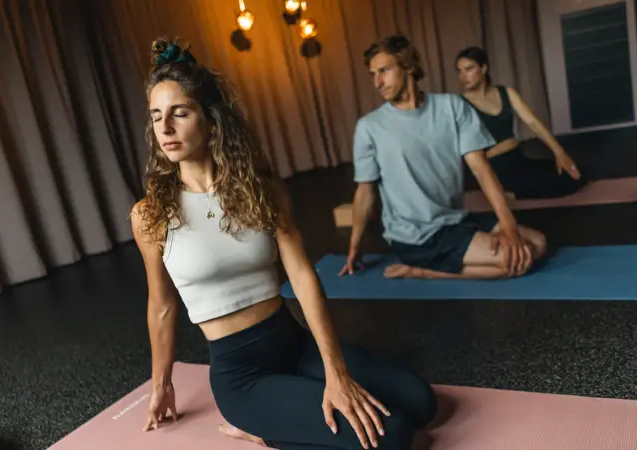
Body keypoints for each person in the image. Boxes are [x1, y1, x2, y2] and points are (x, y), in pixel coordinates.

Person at [130, 37, 437, 450]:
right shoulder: (151, 214)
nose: (164, 128)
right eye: (155, 117)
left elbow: (303, 276)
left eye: (179, 113)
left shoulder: (261, 190)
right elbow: (162, 305)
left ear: (211, 120)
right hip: (242, 377)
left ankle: (283, 422)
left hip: (294, 344)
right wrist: (160, 385)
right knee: (395, 436)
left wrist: (336, 372)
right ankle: (263, 431)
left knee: (422, 402)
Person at [339, 35, 546, 281]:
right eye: (373, 74)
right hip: (416, 235)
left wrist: (508, 226)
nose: (377, 82)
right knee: (517, 261)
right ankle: (421, 271)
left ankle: (443, 263)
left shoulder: (453, 107)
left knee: (537, 243)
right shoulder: (369, 127)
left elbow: (481, 169)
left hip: (455, 219)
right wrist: (354, 247)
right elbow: (365, 192)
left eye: (383, 71)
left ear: (408, 66)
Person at [456, 46, 585, 199]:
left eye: (469, 69)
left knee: (575, 173)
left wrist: (560, 153)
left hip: (518, 159)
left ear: (483, 69)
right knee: (558, 184)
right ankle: (505, 193)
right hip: (494, 169)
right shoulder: (459, 104)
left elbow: (533, 122)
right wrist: (498, 149)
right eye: (459, 71)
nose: (463, 76)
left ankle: (510, 193)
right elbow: (460, 146)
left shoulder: (506, 92)